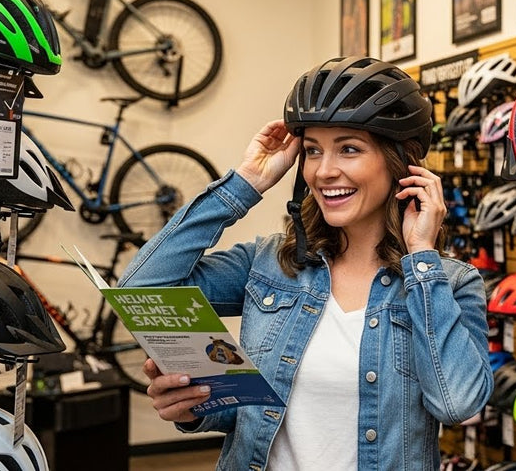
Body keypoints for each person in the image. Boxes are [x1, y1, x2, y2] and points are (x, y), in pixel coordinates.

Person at [119, 57, 492, 470]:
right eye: (313, 151)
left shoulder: (451, 284)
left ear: (402, 163)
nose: (324, 171)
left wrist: (421, 255)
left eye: (349, 149)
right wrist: (245, 183)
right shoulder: (270, 262)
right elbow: (142, 291)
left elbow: (456, 403)